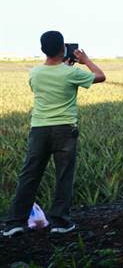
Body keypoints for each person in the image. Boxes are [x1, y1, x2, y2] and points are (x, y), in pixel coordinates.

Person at [2, 31, 105, 237]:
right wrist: (85, 60)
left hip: (39, 129)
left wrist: (64, 67)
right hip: (65, 130)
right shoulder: (71, 73)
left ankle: (15, 223)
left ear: (42, 50)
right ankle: (59, 222)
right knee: (63, 175)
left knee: (29, 175)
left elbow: (53, 79)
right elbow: (100, 76)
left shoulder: (35, 73)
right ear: (63, 49)